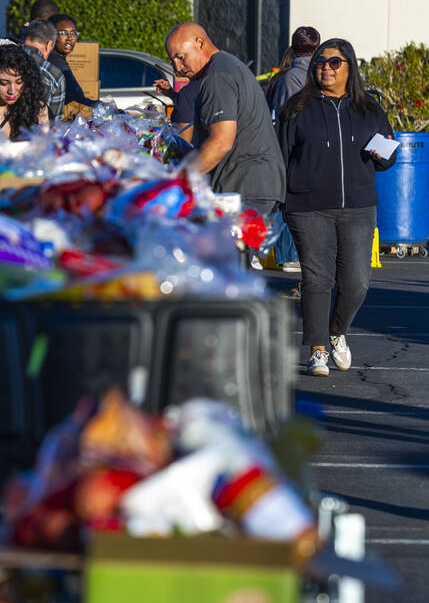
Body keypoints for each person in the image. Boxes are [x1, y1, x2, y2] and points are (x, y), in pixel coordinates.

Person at [276, 38, 395, 377]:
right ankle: (316, 349)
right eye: (320, 62)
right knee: (317, 279)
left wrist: (382, 155)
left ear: (349, 67)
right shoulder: (297, 108)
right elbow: (281, 157)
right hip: (307, 206)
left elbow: (389, 155)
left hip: (358, 206)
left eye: (334, 62)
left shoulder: (368, 108)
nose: (325, 68)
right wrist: (282, 202)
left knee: (357, 282)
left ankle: (336, 331)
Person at [165, 22, 285, 220]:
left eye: (180, 57)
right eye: (172, 60)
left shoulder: (217, 76)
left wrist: (178, 180)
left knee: (232, 250)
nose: (177, 67)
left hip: (245, 188)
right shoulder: (227, 64)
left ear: (200, 43)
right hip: (252, 185)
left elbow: (221, 142)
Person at [269, 26, 321, 118]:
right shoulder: (325, 73)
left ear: (293, 48)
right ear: (317, 48)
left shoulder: (291, 78)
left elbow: (286, 118)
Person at [21, 19, 66, 121]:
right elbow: (54, 124)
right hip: (34, 135)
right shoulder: (55, 75)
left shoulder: (3, 59)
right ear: (49, 45)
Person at [47, 14, 96, 106]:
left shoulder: (59, 60)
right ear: (51, 35)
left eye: (73, 33)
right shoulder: (56, 62)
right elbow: (76, 99)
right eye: (63, 33)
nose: (69, 38)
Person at [154, 75, 201, 141]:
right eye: (173, 64)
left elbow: (183, 143)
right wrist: (170, 93)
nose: (177, 67)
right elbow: (187, 102)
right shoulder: (193, 86)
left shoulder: (190, 89)